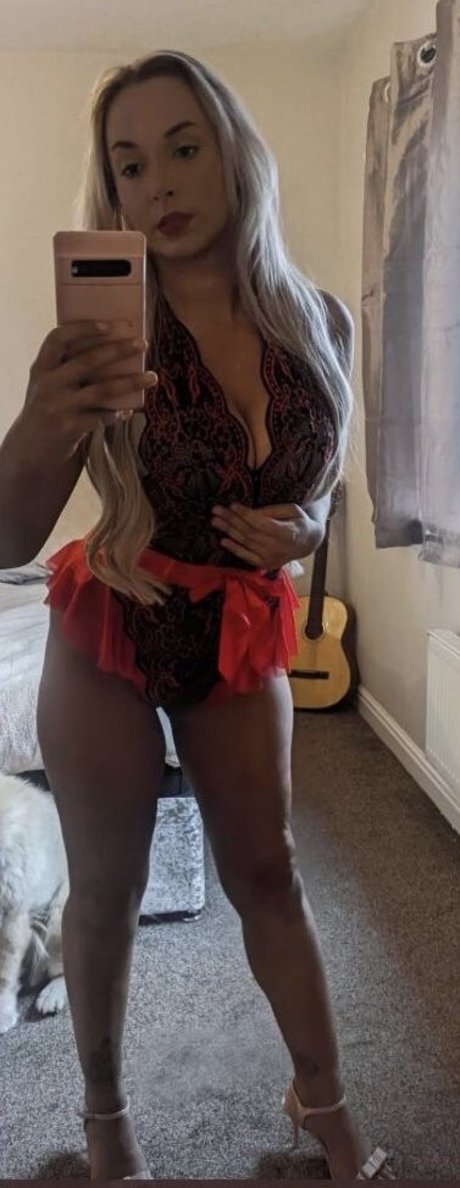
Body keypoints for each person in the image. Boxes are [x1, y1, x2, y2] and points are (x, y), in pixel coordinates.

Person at [0, 50, 396, 1182]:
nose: (160, 182)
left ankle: (325, 1107)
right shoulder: (104, 338)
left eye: (183, 146)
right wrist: (43, 416)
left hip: (238, 627)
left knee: (269, 873)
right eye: (130, 165)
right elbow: (8, 539)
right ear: (112, 191)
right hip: (113, 619)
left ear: (233, 153)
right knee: (106, 890)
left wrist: (307, 526)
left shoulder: (320, 322)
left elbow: (321, 485)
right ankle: (106, 1126)